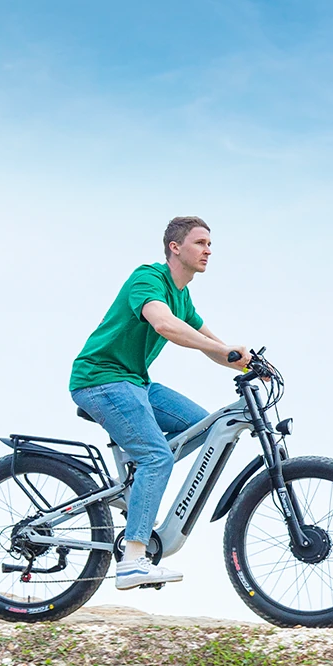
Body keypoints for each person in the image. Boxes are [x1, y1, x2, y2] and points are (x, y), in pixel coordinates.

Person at [69, 216, 250, 589]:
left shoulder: (182, 296)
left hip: (135, 382)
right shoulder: (148, 279)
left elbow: (214, 347)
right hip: (101, 379)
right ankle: (133, 559)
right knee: (157, 456)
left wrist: (249, 362)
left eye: (210, 244)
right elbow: (164, 324)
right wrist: (224, 350)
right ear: (175, 247)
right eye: (200, 243)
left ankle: (138, 486)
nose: (208, 250)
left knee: (209, 426)